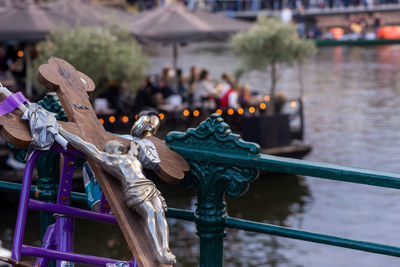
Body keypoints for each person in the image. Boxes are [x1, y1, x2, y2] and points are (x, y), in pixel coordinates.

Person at [59, 112, 176, 265]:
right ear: (109, 150)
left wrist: (144, 127)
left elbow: (137, 141)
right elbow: (85, 146)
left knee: (160, 213)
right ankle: (158, 252)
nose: (118, 144)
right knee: (150, 213)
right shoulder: (109, 160)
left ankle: (165, 249)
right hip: (134, 189)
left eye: (119, 144)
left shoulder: (131, 155)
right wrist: (61, 130)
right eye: (113, 144)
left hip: (148, 186)